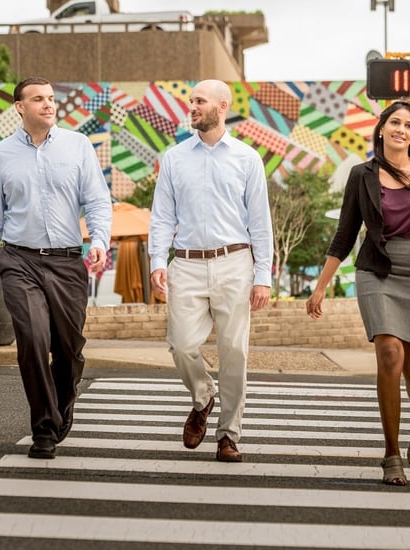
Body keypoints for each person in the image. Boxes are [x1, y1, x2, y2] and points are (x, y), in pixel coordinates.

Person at [305, 100, 410, 485]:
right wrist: (321, 287)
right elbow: (345, 234)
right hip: (378, 271)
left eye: (409, 126)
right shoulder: (361, 175)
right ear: (381, 129)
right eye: (395, 123)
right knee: (390, 354)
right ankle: (391, 453)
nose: (402, 130)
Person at [0, 76, 112, 460]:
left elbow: (98, 201)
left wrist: (99, 240)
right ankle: (44, 428)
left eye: (52, 98)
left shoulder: (78, 146)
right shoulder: (0, 155)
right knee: (32, 340)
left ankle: (63, 403)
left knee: (68, 349)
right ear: (20, 107)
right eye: (39, 99)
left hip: (68, 262)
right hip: (19, 260)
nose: (49, 105)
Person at [148, 79, 273, 463]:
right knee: (182, 344)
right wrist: (156, 261)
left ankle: (228, 435)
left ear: (222, 106)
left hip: (235, 262)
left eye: (199, 101)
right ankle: (203, 397)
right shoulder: (174, 158)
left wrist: (263, 275)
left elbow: (260, 221)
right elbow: (162, 216)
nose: (192, 106)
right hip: (185, 263)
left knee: (235, 351)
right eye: (191, 101)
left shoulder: (247, 158)